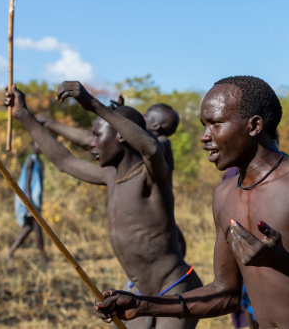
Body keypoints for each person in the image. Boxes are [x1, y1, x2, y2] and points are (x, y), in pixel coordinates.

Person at [95, 75, 289, 328]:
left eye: (215, 124)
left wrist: (283, 261)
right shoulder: (224, 195)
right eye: (204, 125)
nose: (204, 137)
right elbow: (225, 294)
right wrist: (144, 305)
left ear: (254, 126)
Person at [5, 82, 202, 329]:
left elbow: (151, 149)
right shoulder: (111, 176)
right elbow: (65, 161)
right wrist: (24, 115)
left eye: (98, 136)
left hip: (175, 288)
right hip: (138, 293)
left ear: (121, 135)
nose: (92, 143)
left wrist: (95, 105)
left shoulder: (152, 177)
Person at [35, 102, 187, 257]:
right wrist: (120, 118)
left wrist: (119, 122)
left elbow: (147, 146)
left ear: (157, 125)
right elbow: (70, 156)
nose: (143, 115)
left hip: (161, 241)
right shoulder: (132, 155)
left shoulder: (161, 144)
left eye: (146, 115)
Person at [8, 141, 48, 262]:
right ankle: (44, 257)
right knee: (37, 227)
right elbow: (27, 182)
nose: (39, 146)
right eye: (37, 144)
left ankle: (11, 252)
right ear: (32, 146)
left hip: (33, 200)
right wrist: (28, 200)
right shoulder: (31, 161)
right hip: (28, 200)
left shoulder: (39, 162)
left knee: (30, 227)